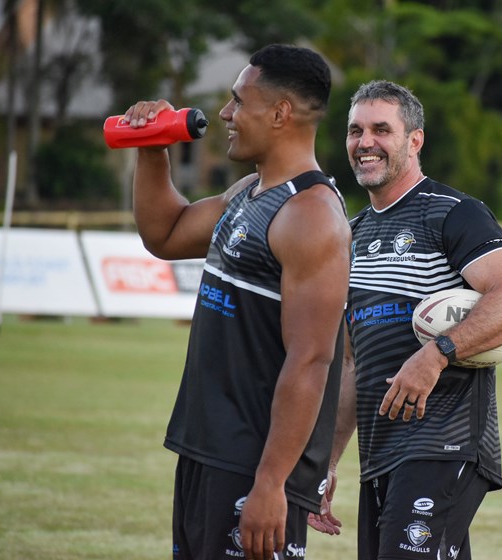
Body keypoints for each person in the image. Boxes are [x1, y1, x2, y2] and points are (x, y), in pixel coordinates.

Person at [124, 44, 351, 560]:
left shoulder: (312, 216)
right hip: (207, 449)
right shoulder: (249, 191)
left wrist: (270, 483)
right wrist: (153, 145)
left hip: (253, 464)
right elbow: (166, 233)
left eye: (237, 101)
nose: (225, 114)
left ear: (279, 113)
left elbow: (311, 360)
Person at [308, 80, 502, 559]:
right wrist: (327, 462)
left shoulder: (454, 214)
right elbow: (353, 365)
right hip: (380, 453)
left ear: (414, 141)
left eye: (381, 129)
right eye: (355, 130)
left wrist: (436, 354)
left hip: (444, 443)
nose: (364, 142)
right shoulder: (351, 234)